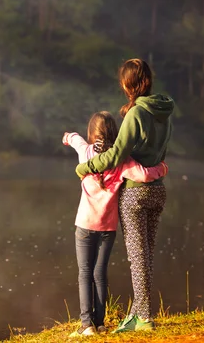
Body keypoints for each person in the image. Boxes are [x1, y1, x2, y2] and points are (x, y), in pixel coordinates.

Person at [75, 59, 174, 333]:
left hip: (135, 194)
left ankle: (143, 319)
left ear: (128, 84)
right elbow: (162, 152)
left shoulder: (136, 114)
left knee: (137, 258)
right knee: (147, 256)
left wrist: (86, 166)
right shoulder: (164, 112)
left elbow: (117, 154)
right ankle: (136, 314)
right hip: (158, 190)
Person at [63, 111, 168, 337]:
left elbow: (75, 140)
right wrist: (162, 169)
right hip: (107, 229)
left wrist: (68, 136)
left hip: (84, 225)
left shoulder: (85, 152)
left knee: (84, 273)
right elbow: (143, 175)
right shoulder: (122, 159)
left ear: (92, 134)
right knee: (100, 273)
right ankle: (100, 323)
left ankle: (86, 325)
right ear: (115, 134)